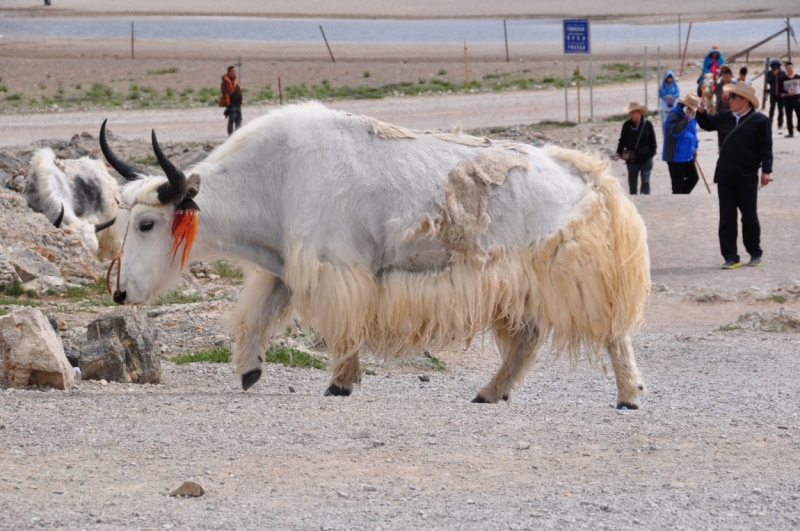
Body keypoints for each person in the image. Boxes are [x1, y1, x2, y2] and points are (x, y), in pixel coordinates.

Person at [696, 83, 773, 269]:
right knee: (727, 217)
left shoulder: (761, 121)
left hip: (747, 176)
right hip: (725, 175)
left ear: (745, 101)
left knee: (749, 216)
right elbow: (707, 124)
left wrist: (766, 170)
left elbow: (766, 147)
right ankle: (731, 257)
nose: (728, 100)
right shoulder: (724, 117)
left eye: (733, 97)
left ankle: (755, 253)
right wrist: (701, 112)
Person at [613, 102, 657, 195]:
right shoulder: (626, 125)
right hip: (632, 160)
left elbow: (653, 142)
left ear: (640, 112)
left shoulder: (647, 124)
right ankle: (634, 201)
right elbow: (622, 141)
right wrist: (618, 152)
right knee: (632, 185)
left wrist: (651, 154)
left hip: (646, 159)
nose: (631, 115)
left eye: (633, 112)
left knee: (645, 183)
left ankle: (645, 200)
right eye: (630, 113)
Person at [662, 94, 700, 194]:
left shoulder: (692, 115)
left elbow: (693, 132)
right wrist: (686, 119)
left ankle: (681, 197)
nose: (692, 111)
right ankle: (678, 200)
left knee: (693, 178)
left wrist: (695, 148)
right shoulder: (673, 115)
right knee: (678, 184)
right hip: (675, 155)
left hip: (688, 154)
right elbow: (675, 132)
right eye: (690, 108)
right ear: (685, 106)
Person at [221, 66, 243, 136]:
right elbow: (225, 93)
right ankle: (230, 133)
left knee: (239, 118)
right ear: (229, 72)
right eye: (234, 71)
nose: (235, 72)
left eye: (235, 71)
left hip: (237, 102)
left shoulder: (235, 79)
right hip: (231, 102)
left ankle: (238, 132)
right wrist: (228, 103)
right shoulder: (225, 81)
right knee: (232, 118)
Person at [765, 59, 787, 130]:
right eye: (774, 67)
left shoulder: (782, 72)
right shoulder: (769, 73)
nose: (776, 68)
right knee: (772, 108)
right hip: (773, 93)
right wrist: (774, 76)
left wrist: (778, 75)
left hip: (780, 93)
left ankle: (780, 124)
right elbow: (768, 81)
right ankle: (770, 123)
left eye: (777, 67)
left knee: (781, 109)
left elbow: (784, 81)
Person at [781, 61, 800, 138]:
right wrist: (787, 92)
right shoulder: (783, 79)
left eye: (790, 67)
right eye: (787, 68)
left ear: (793, 68)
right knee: (789, 116)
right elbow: (780, 89)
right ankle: (790, 132)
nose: (789, 69)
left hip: (797, 98)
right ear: (785, 69)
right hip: (788, 99)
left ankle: (799, 127)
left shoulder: (798, 77)